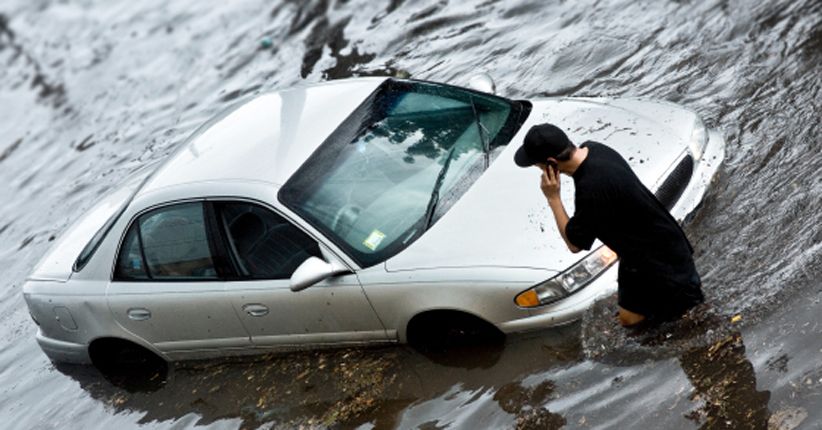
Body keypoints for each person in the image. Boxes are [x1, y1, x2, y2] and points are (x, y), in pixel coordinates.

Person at [514, 123, 704, 327]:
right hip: (640, 256)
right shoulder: (595, 149)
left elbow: (574, 244)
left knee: (694, 321)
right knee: (630, 321)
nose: (540, 170)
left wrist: (553, 198)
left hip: (663, 264)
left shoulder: (591, 189)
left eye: (539, 166)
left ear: (551, 163)